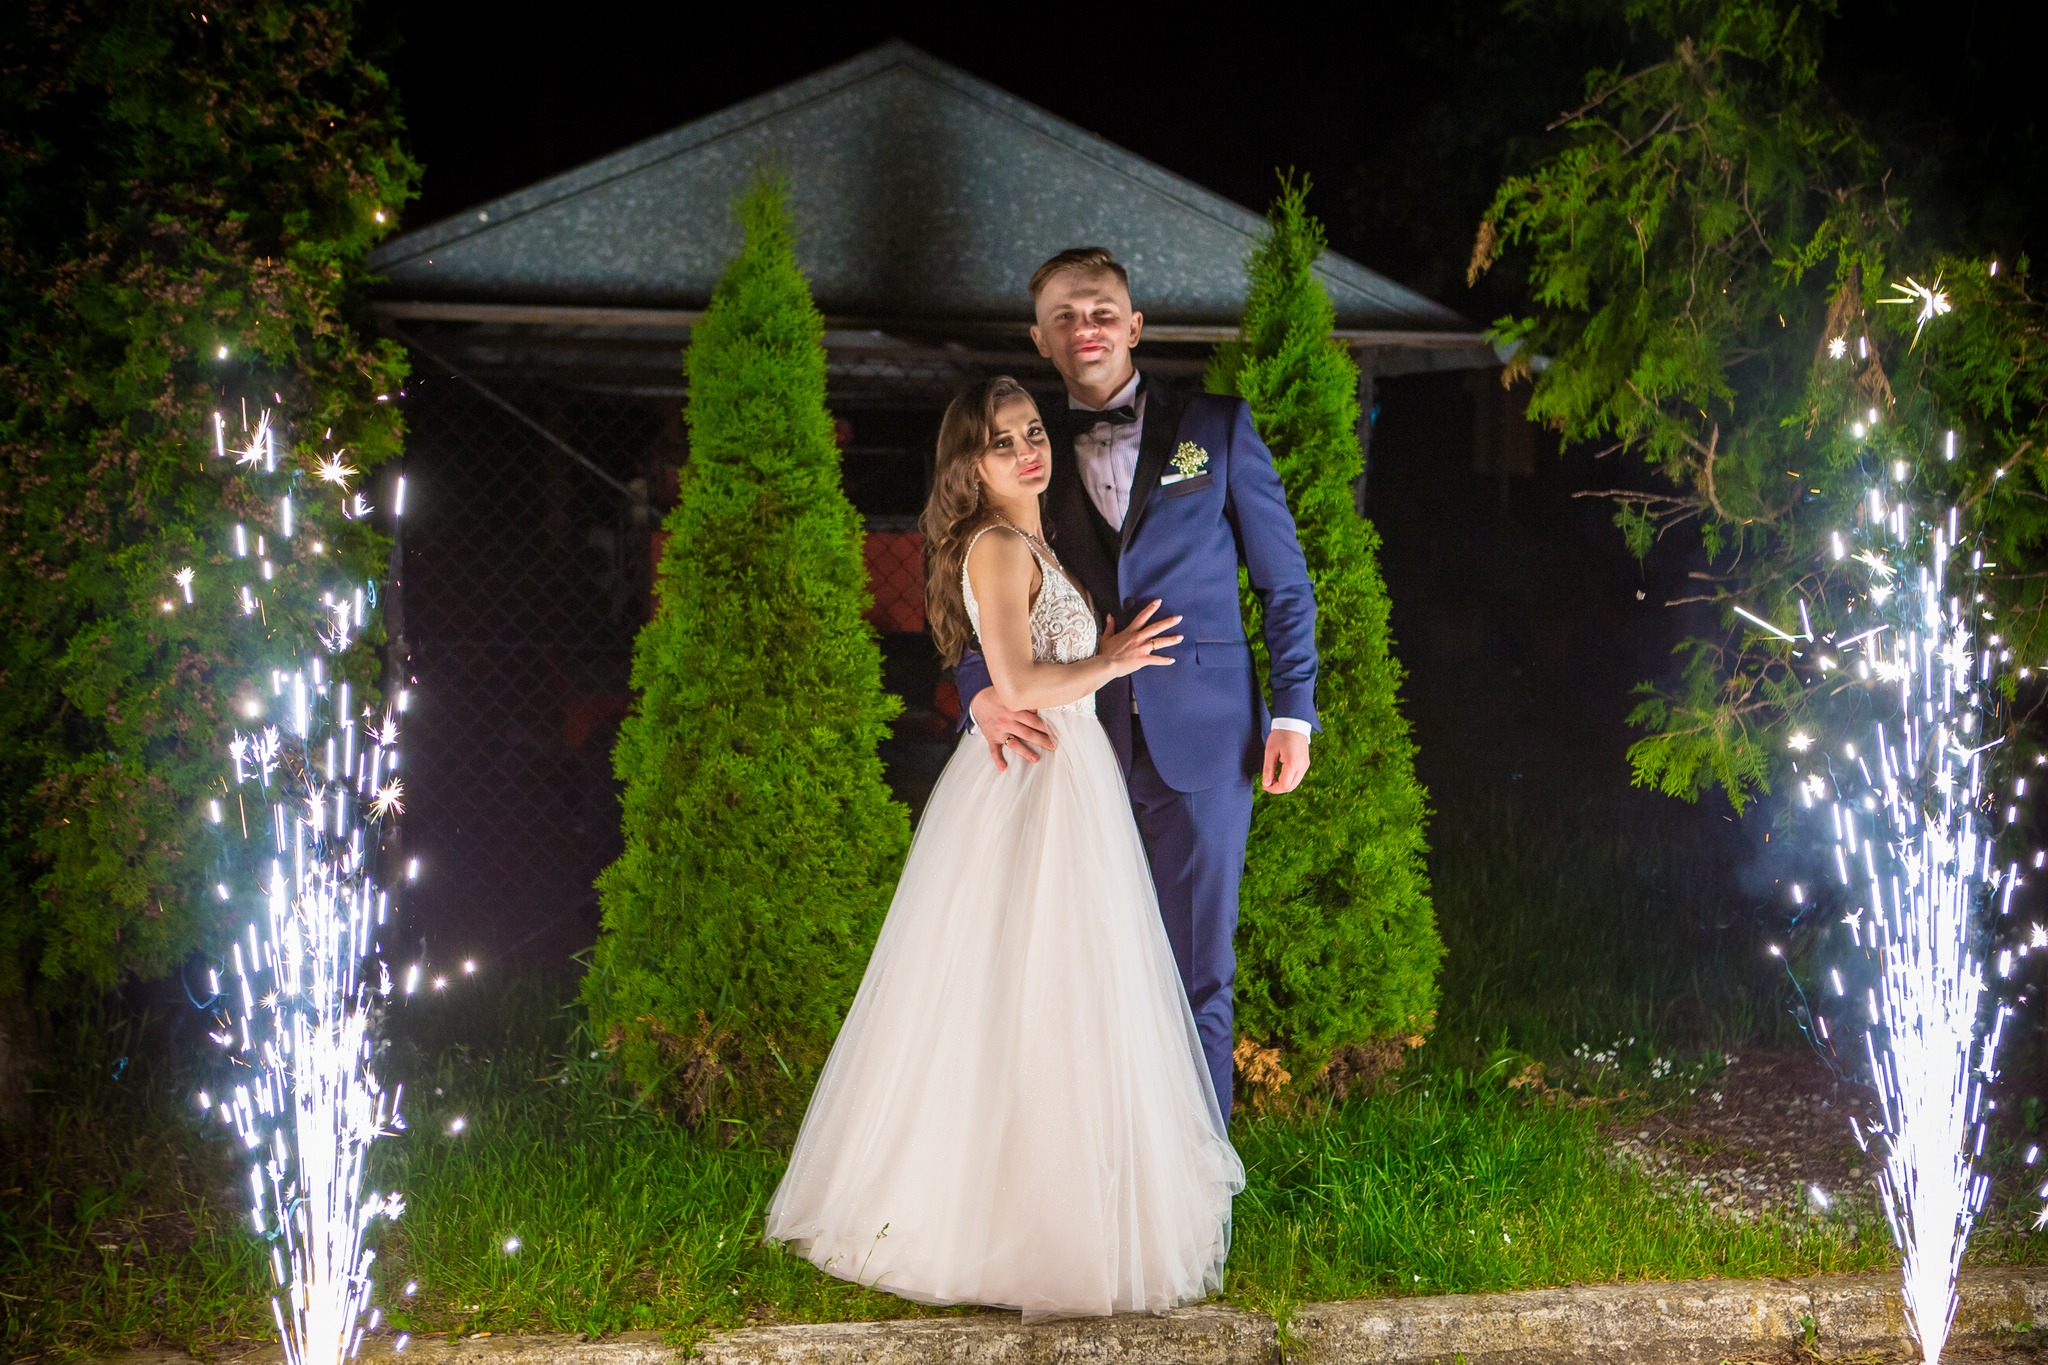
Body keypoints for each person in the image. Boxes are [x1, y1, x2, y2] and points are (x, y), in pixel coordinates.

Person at [764, 376, 1242, 1318]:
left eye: (1031, 432)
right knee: (1024, 989)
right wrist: (1107, 661)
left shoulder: (1037, 540)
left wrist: (1093, 652)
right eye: (1001, 442)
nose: (1028, 450)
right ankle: (990, 1219)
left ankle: (1061, 1202)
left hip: (1072, 777)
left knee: (1068, 995)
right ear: (969, 467)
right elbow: (1017, 681)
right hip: (1037, 783)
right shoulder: (994, 544)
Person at [955, 248, 1321, 1117]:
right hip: (1071, 747)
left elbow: (1284, 584)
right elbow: (974, 579)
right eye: (1065, 317)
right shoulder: (1025, 448)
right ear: (1040, 340)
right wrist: (979, 690)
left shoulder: (1216, 427)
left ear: (1134, 325)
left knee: (1198, 974)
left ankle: (1200, 1185)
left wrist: (1294, 714)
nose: (1086, 328)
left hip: (1207, 736)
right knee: (1077, 976)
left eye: (1101, 311)